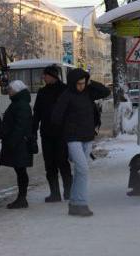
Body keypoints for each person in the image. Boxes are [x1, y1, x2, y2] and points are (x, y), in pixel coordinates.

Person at [52, 68, 110, 217]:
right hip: (72, 139)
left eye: (84, 83)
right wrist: (67, 128)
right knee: (83, 169)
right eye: (79, 84)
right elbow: (56, 117)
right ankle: (82, 203)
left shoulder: (88, 92)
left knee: (79, 171)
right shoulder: (66, 95)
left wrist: (91, 82)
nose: (81, 86)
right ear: (72, 83)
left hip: (87, 137)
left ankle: (74, 204)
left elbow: (105, 92)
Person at [32, 65, 72, 203]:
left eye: (46, 75)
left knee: (63, 163)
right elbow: (37, 113)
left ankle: (68, 191)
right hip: (47, 134)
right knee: (49, 165)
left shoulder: (65, 90)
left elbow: (71, 112)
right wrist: (33, 129)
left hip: (62, 134)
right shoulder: (42, 92)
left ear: (53, 76)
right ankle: (54, 193)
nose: (43, 77)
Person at [0, 80, 34, 209]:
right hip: (19, 143)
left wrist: (12, 142)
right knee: (20, 171)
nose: (8, 92)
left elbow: (20, 126)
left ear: (17, 91)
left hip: (20, 144)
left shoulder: (21, 105)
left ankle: (22, 198)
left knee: (21, 171)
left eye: (10, 89)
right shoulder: (18, 103)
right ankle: (21, 198)